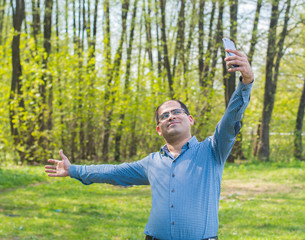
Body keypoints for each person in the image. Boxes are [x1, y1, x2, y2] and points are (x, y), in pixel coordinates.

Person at [45, 48, 254, 240]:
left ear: (190, 119)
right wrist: (72, 170)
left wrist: (246, 81)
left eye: (176, 112)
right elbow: (111, 172)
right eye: (164, 116)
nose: (171, 116)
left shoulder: (212, 150)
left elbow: (230, 118)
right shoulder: (151, 163)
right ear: (158, 128)